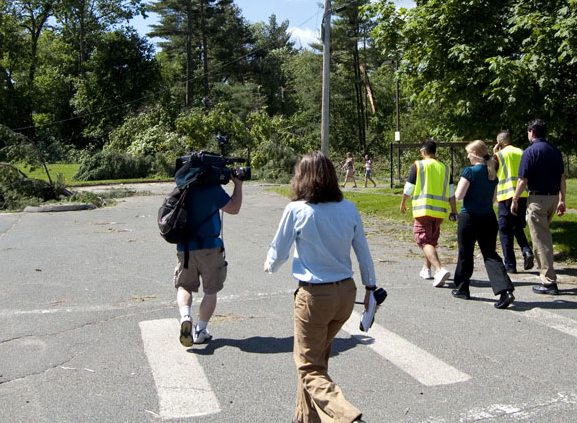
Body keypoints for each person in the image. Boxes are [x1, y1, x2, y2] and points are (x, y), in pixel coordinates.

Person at [265, 151, 377, 423]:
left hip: (314, 296)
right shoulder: (349, 208)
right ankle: (305, 418)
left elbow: (279, 251)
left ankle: (347, 416)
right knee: (316, 359)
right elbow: (363, 252)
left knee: (309, 368)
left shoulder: (296, 210)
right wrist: (370, 287)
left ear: (302, 178)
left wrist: (269, 265)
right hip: (345, 294)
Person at [174, 168, 243, 348]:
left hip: (185, 247)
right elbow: (234, 208)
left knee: (184, 286)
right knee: (210, 291)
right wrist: (238, 185)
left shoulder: (183, 187)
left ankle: (185, 317)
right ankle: (200, 330)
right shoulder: (213, 190)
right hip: (210, 247)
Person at [451, 140, 515, 308]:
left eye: (469, 153)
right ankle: (505, 290)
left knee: (465, 253)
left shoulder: (469, 172)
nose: (467, 156)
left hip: (469, 217)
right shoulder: (492, 173)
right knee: (490, 254)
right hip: (488, 217)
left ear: (475, 154)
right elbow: (493, 199)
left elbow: (459, 195)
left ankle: (463, 287)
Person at [512, 120, 565, 295]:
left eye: (528, 131)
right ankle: (547, 276)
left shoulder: (530, 152)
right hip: (553, 198)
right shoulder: (555, 151)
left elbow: (522, 180)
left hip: (537, 199)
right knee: (543, 237)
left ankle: (549, 281)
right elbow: (562, 178)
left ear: (532, 132)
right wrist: (562, 200)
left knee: (541, 241)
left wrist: (515, 199)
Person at [400, 138, 457, 287]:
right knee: (431, 241)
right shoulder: (445, 168)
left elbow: (409, 187)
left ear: (423, 151)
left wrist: (403, 202)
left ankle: (439, 269)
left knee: (423, 241)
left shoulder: (419, 165)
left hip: (423, 209)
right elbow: (451, 192)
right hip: (439, 212)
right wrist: (454, 210)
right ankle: (426, 269)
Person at [494, 130, 534, 273]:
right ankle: (526, 250)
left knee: (504, 230)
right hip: (522, 195)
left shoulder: (499, 155)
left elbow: (491, 173)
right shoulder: (522, 152)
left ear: (500, 142)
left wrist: (494, 153)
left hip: (505, 196)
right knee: (517, 226)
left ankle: (510, 265)